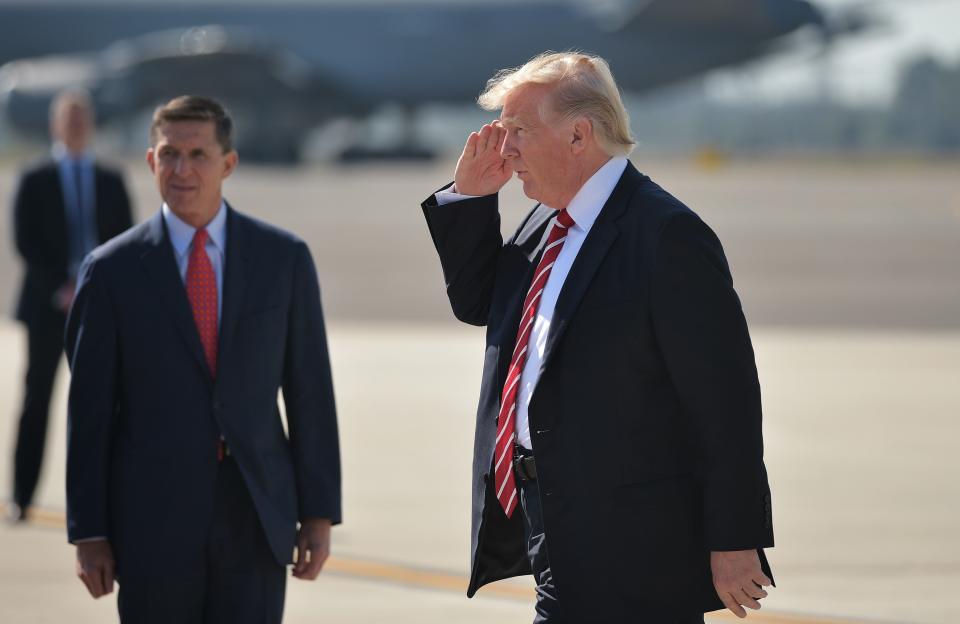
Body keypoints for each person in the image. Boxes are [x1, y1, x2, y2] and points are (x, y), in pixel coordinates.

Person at [420, 52, 775, 622]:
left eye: (517, 132)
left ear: (579, 135)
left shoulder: (667, 235)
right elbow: (481, 304)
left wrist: (733, 540)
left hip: (635, 534)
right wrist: (470, 199)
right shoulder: (545, 220)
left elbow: (725, 405)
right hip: (551, 516)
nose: (505, 151)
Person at [64, 95, 341, 623]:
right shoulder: (111, 271)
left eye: (198, 155)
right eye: (168, 154)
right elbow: (90, 412)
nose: (182, 169)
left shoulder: (282, 259)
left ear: (228, 164)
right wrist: (90, 531)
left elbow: (309, 392)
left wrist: (318, 512)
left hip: (255, 512)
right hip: (150, 518)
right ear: (150, 161)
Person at [9, 90, 133, 522]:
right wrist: (62, 287)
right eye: (69, 119)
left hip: (98, 308)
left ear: (92, 123)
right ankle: (21, 497)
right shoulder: (35, 177)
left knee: (102, 402)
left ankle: (107, 497)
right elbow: (25, 240)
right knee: (37, 399)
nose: (77, 126)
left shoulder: (110, 179)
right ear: (55, 126)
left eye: (83, 119)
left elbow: (126, 240)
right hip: (47, 307)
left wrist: (95, 289)